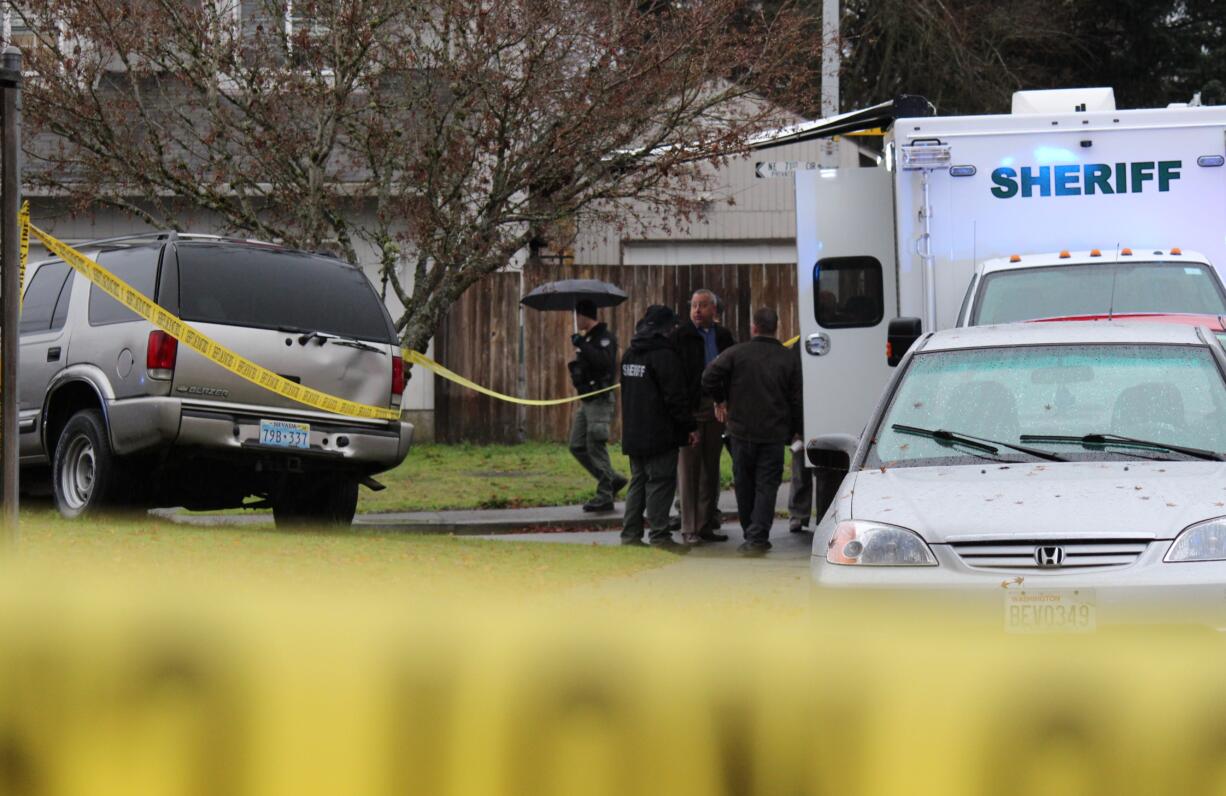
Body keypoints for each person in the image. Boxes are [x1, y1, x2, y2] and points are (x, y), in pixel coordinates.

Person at [701, 307, 803, 557]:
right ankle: (758, 535)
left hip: (740, 430)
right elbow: (797, 398)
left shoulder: (736, 353)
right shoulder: (788, 358)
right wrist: (797, 430)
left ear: (754, 327)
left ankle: (751, 532)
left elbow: (708, 377)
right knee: (767, 486)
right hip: (773, 432)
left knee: (744, 484)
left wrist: (720, 399)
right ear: (776, 327)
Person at [619, 305, 698, 552]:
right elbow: (675, 398)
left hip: (634, 431)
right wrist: (689, 426)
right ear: (665, 328)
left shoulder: (631, 353)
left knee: (638, 482)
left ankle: (630, 535)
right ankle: (660, 536)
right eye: (672, 326)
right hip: (660, 432)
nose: (674, 330)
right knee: (660, 483)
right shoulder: (665, 355)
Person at [670, 289, 736, 545]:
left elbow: (732, 369)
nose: (697, 310)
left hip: (717, 405)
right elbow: (677, 378)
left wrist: (726, 400)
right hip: (692, 406)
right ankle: (688, 527)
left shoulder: (723, 336)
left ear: (714, 310)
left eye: (703, 305)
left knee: (711, 467)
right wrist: (683, 415)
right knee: (688, 469)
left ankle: (705, 523)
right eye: (694, 305)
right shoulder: (680, 336)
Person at [568, 298, 627, 512]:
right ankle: (613, 479)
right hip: (587, 401)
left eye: (577, 316)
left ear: (584, 316)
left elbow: (604, 363)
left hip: (600, 401)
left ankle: (605, 495)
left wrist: (582, 344)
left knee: (595, 444)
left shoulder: (604, 338)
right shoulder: (589, 339)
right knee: (576, 445)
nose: (576, 320)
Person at [788, 341, 818, 533]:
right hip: (804, 413)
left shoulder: (800, 345)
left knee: (803, 470)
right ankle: (799, 515)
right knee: (801, 469)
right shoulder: (799, 347)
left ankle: (799, 515)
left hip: (811, 410)